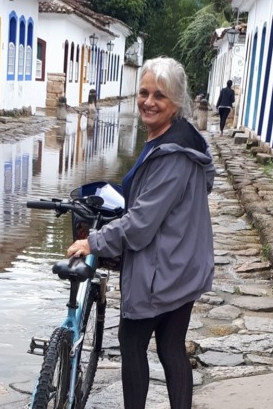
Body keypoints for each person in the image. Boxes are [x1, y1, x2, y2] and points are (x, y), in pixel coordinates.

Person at [66, 56, 215, 409]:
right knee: (170, 346)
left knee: (133, 344)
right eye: (144, 92)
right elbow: (160, 201)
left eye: (159, 96)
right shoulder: (182, 141)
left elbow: (142, 225)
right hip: (184, 260)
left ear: (176, 103)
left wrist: (93, 241)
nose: (148, 102)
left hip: (164, 268)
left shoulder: (171, 156)